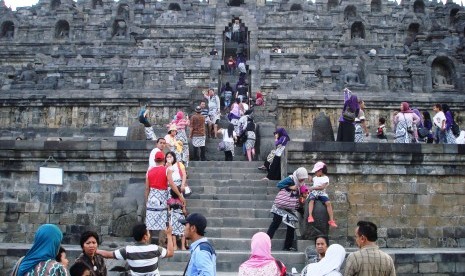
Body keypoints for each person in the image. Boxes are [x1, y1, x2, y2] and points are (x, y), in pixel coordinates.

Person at [97, 223, 174, 276]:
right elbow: (170, 253)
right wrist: (169, 235)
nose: (150, 234)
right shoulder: (155, 248)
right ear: (145, 237)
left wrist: (95, 250)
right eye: (148, 233)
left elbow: (107, 254)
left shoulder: (128, 250)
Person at [145, 151, 185, 246]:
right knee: (163, 222)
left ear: (154, 160)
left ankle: (147, 243)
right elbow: (171, 183)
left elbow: (147, 188)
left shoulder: (149, 171)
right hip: (162, 198)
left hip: (152, 197)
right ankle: (161, 244)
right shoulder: (167, 170)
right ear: (163, 159)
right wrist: (180, 195)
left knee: (149, 222)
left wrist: (146, 200)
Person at [267, 167, 309, 251]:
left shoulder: (302, 183)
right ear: (298, 176)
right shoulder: (291, 179)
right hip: (280, 206)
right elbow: (279, 185)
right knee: (275, 224)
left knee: (291, 225)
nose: (302, 180)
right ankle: (265, 243)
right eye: (301, 178)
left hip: (289, 207)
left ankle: (287, 246)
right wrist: (290, 187)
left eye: (303, 179)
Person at [307, 162, 337, 228]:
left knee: (328, 203)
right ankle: (310, 216)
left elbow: (322, 187)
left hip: (322, 193)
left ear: (320, 171)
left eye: (316, 171)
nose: (315, 173)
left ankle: (331, 220)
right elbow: (312, 180)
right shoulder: (315, 177)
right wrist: (309, 177)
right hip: (314, 193)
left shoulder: (326, 178)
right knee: (311, 200)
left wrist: (313, 188)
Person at [167, 186, 188, 251]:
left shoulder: (169, 200)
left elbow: (168, 211)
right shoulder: (182, 200)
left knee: (173, 232)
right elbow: (184, 211)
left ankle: (175, 246)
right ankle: (183, 246)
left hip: (173, 217)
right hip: (181, 216)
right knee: (182, 232)